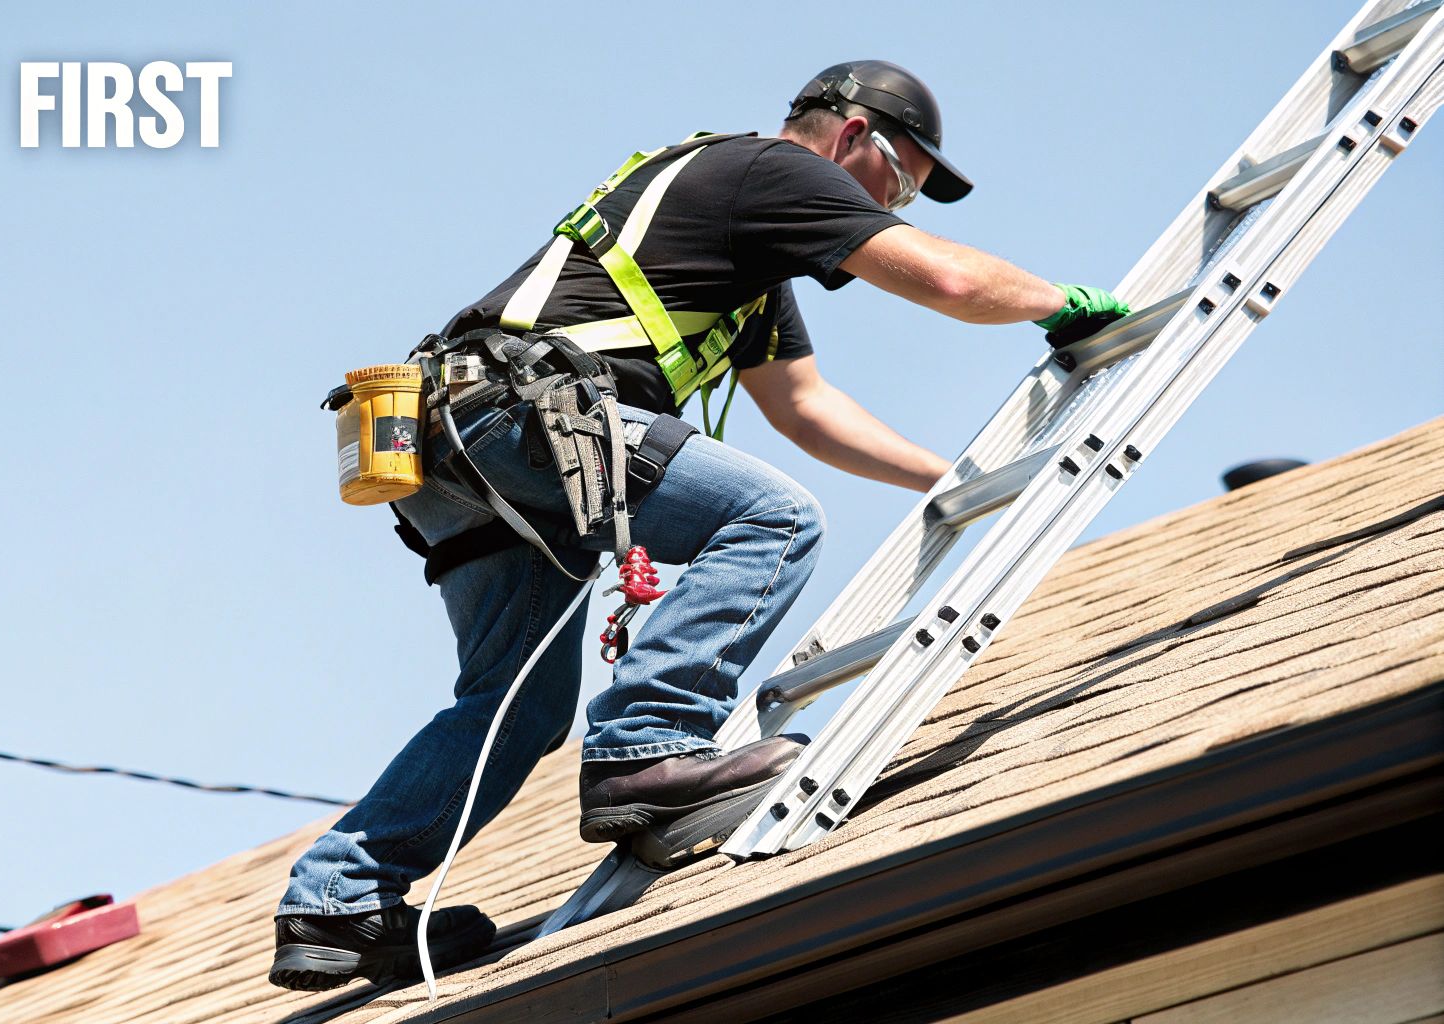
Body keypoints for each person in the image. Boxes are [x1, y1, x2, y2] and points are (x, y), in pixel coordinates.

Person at [269, 60, 1128, 992]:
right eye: (905, 177)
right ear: (850, 137)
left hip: (457, 444)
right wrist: (1063, 303)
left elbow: (804, 409)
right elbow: (951, 281)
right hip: (528, 418)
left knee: (514, 706)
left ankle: (339, 901)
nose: (902, 202)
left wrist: (953, 480)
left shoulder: (752, 260)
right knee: (774, 517)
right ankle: (649, 749)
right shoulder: (773, 172)